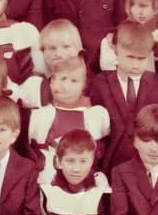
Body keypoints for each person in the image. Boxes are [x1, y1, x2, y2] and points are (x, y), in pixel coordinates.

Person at [89, 22, 158, 175]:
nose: (136, 65)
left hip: (145, 163)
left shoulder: (157, 83)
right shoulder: (100, 82)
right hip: (110, 162)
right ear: (116, 50)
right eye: (130, 57)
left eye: (142, 59)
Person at [28, 56, 110, 184]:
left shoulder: (95, 116)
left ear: (84, 85)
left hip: (86, 185)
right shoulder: (41, 116)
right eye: (62, 79)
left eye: (74, 81)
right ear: (51, 82)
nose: (66, 86)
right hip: (48, 184)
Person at [99, 0, 158, 72]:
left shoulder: (157, 35)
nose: (138, 11)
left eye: (143, 6)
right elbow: (107, 66)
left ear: (155, 6)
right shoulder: (114, 36)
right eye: (132, 5)